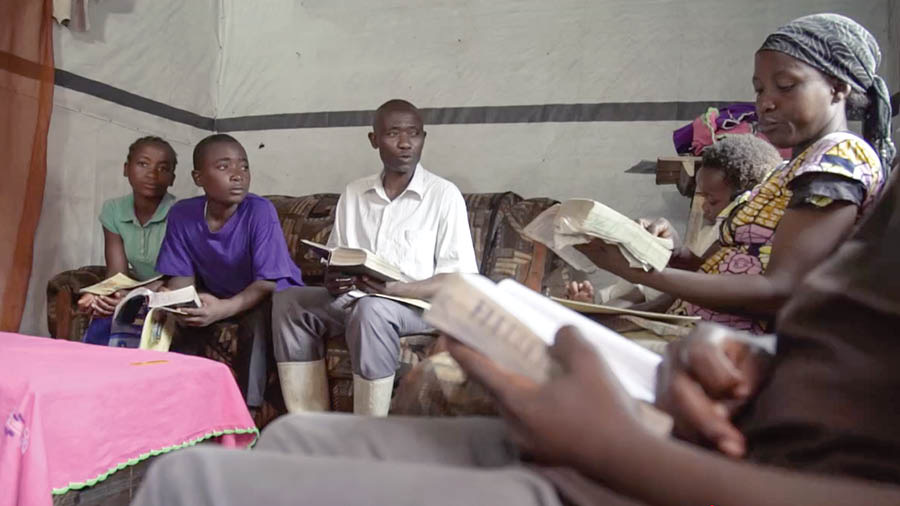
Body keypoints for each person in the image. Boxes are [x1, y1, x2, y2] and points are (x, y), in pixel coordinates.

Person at [130, 118, 900, 506]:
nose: (399, 142)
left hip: (656, 474)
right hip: (706, 439)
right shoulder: (351, 195)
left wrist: (619, 448)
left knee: (181, 481)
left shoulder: (842, 168)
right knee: (293, 426)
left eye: (411, 132)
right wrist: (750, 366)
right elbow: (835, 349)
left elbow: (453, 272)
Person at [576, 13, 894, 332]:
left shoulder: (840, 159)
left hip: (741, 351)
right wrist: (668, 249)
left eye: (785, 86)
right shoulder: (784, 172)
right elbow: (716, 266)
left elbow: (780, 291)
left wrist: (637, 274)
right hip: (696, 330)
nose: (765, 103)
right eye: (759, 90)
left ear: (837, 88)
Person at [272, 99, 478, 416]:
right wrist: (333, 276)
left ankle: (369, 429)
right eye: (393, 133)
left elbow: (458, 278)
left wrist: (394, 289)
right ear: (374, 140)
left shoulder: (443, 195)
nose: (406, 143)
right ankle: (309, 421)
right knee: (289, 301)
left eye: (414, 134)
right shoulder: (354, 192)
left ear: (424, 138)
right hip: (357, 296)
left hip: (415, 307)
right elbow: (339, 254)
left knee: (372, 310)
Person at [155, 133, 303, 409]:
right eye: (224, 167)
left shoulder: (259, 211)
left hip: (270, 297)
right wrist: (178, 301)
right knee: (182, 320)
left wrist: (223, 309)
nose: (238, 175)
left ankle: (248, 411)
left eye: (244, 166)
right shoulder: (182, 214)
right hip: (217, 294)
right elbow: (181, 279)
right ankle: (174, 402)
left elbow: (267, 282)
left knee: (257, 322)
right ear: (198, 177)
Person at [566, 134, 783, 304]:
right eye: (701, 197)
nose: (704, 207)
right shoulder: (721, 228)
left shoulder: (750, 242)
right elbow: (697, 266)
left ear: (744, 199)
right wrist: (674, 249)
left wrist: (606, 311)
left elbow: (678, 294)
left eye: (713, 201)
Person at [78, 136, 178, 347]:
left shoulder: (181, 214)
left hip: (172, 290)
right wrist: (102, 295)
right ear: (126, 169)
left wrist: (130, 296)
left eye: (163, 168)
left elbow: (178, 276)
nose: (152, 174)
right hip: (139, 290)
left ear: (172, 178)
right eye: (143, 164)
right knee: (102, 309)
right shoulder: (114, 210)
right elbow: (118, 274)